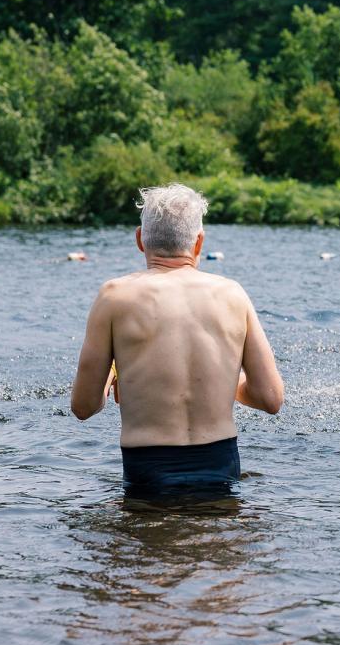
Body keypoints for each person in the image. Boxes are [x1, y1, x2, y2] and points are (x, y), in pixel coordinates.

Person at [70, 184, 283, 499]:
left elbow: (84, 407)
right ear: (199, 243)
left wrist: (114, 378)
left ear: (140, 240)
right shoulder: (232, 294)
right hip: (220, 469)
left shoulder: (114, 297)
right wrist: (228, 384)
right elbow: (270, 398)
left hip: (148, 474)